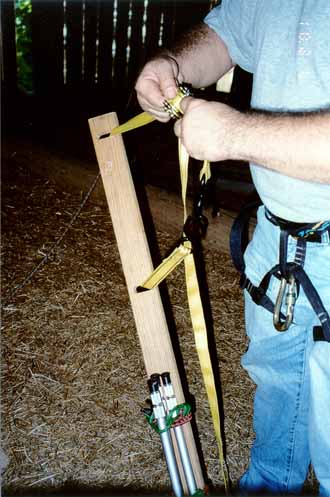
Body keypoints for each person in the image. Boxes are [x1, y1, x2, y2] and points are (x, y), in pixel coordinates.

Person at [135, 1, 330, 496]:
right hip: (276, 237)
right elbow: (225, 35)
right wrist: (172, 66)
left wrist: (236, 133)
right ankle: (269, 483)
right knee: (278, 375)